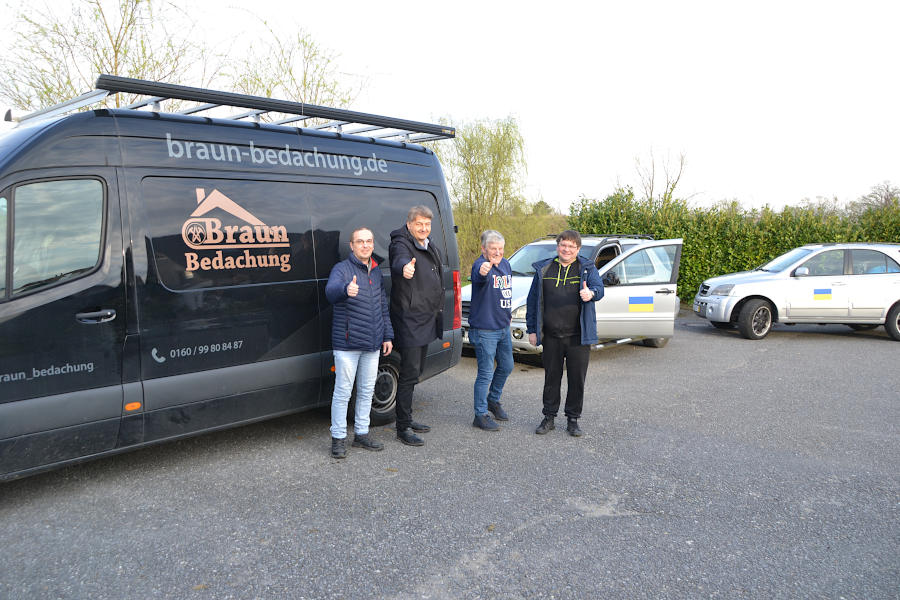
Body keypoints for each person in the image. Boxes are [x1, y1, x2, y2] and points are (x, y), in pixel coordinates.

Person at [526, 230, 604, 437]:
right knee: (552, 377)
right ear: (557, 246)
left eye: (571, 246)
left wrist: (591, 293)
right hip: (551, 335)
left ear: (578, 249)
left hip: (578, 336)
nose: (566, 249)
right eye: (563, 245)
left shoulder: (586, 268)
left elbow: (600, 288)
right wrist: (532, 330)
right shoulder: (544, 269)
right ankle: (549, 417)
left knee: (577, 379)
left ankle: (573, 419)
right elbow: (532, 301)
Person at [325, 227, 394, 458]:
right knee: (343, 392)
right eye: (360, 241)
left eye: (369, 241)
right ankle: (338, 438)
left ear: (373, 245)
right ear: (352, 245)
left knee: (366, 391)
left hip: (373, 343)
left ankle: (362, 434)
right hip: (347, 344)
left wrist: (387, 335)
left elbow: (383, 306)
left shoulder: (376, 271)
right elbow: (330, 293)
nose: (365, 245)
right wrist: (346, 289)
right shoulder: (341, 270)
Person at [388, 205, 444, 446]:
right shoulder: (401, 243)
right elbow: (399, 260)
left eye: (427, 225)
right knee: (409, 374)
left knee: (417, 371)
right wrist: (405, 268)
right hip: (410, 320)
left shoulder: (427, 243)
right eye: (419, 224)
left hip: (426, 318)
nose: (424, 228)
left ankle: (408, 419)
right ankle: (403, 428)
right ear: (409, 224)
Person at [468, 230, 514, 431]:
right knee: (485, 373)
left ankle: (493, 400)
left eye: (500, 248)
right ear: (483, 249)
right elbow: (480, 275)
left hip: (503, 326)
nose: (497, 252)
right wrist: (484, 269)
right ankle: (480, 414)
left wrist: (507, 313)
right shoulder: (480, 265)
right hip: (485, 329)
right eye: (493, 248)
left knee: (507, 365)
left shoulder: (505, 264)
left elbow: (505, 292)